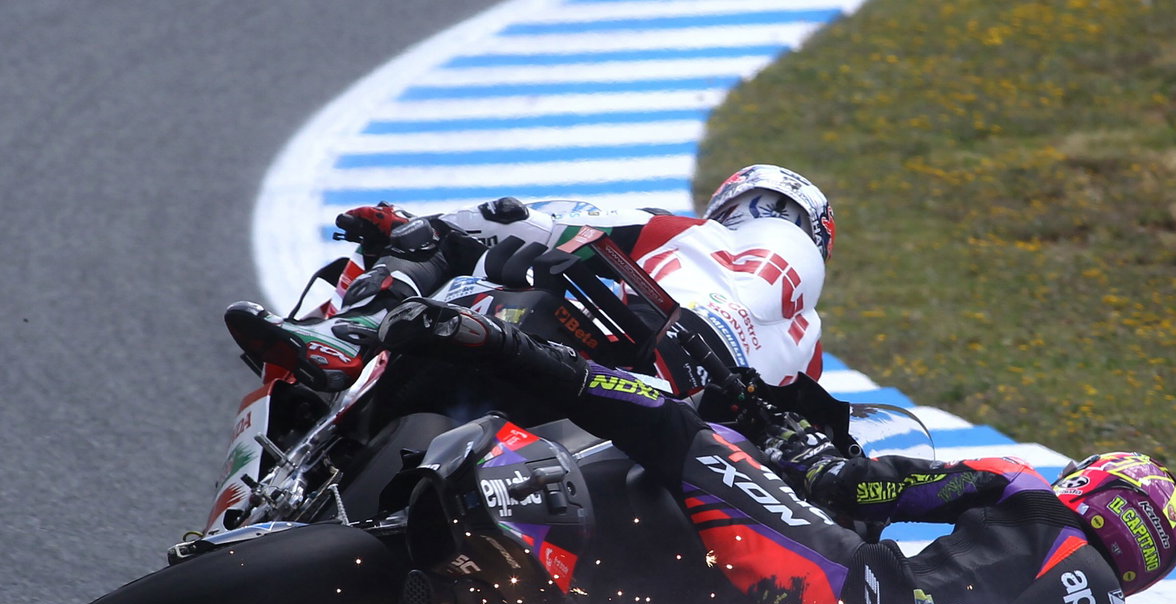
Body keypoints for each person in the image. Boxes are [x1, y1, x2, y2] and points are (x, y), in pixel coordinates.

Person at [372, 296, 1176, 604]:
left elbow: (862, 489)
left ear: (1094, 487)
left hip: (842, 599)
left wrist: (804, 452)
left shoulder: (1027, 493)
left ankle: (490, 344)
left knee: (679, 431)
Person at [225, 164, 835, 394]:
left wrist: (412, 225)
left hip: (608, 338)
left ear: (729, 205)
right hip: (703, 426)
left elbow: (522, 218)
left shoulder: (683, 230)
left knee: (452, 245)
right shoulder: (810, 342)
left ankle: (350, 340)